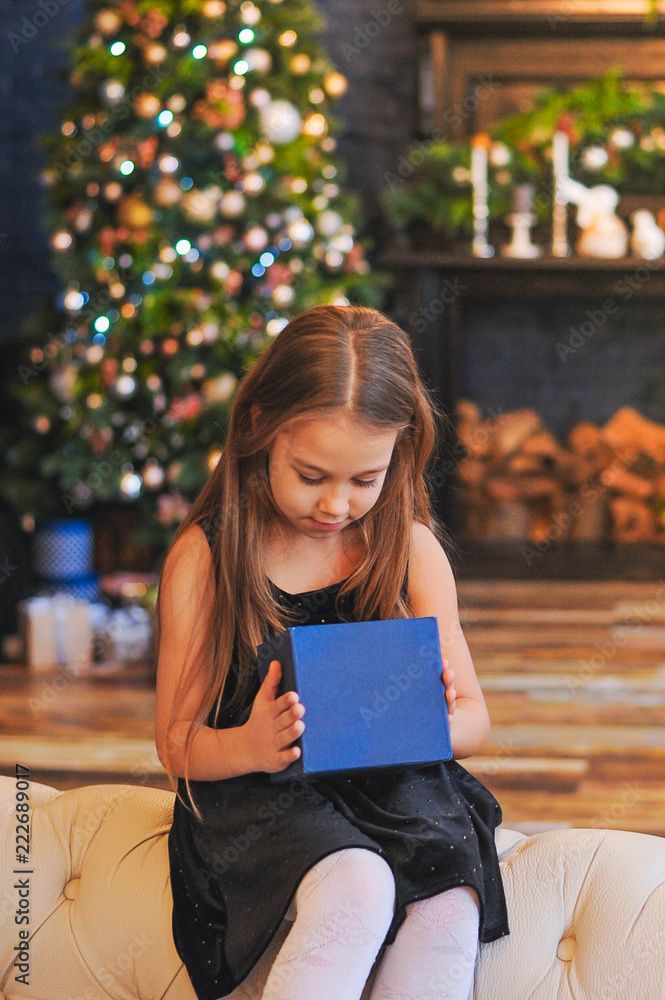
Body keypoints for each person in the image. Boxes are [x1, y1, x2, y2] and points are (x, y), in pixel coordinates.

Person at [154, 304, 509, 1000]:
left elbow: (473, 721)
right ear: (258, 426)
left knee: (447, 902)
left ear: (399, 455)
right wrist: (252, 745)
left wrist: (421, 719)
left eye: (363, 479)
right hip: (260, 793)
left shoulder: (408, 550)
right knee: (356, 885)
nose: (336, 505)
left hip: (398, 784)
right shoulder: (207, 556)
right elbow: (177, 743)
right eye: (312, 475)